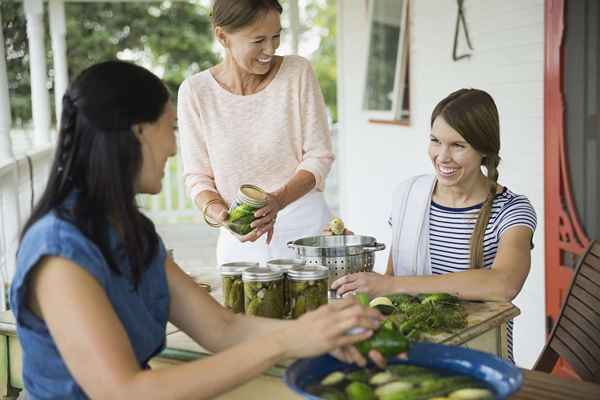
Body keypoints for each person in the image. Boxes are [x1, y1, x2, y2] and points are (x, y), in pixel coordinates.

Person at [9, 61, 382, 399]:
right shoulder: (58, 251)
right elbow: (126, 393)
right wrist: (288, 339)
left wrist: (323, 332)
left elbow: (223, 327)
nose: (174, 146)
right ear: (138, 131)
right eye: (169, 127)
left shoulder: (131, 231)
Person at [331, 89, 537, 362]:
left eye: (458, 145)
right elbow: (393, 282)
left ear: (484, 150)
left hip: (479, 353)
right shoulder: (410, 195)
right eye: (435, 141)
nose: (442, 156)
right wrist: (352, 257)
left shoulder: (512, 210)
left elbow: (504, 284)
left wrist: (393, 285)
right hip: (409, 348)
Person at [178, 0, 334, 265]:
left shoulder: (297, 72)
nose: (270, 50)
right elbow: (198, 176)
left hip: (306, 230)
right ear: (222, 36)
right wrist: (220, 214)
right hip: (240, 239)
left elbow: (319, 156)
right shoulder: (196, 92)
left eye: (276, 36)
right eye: (258, 40)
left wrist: (277, 201)